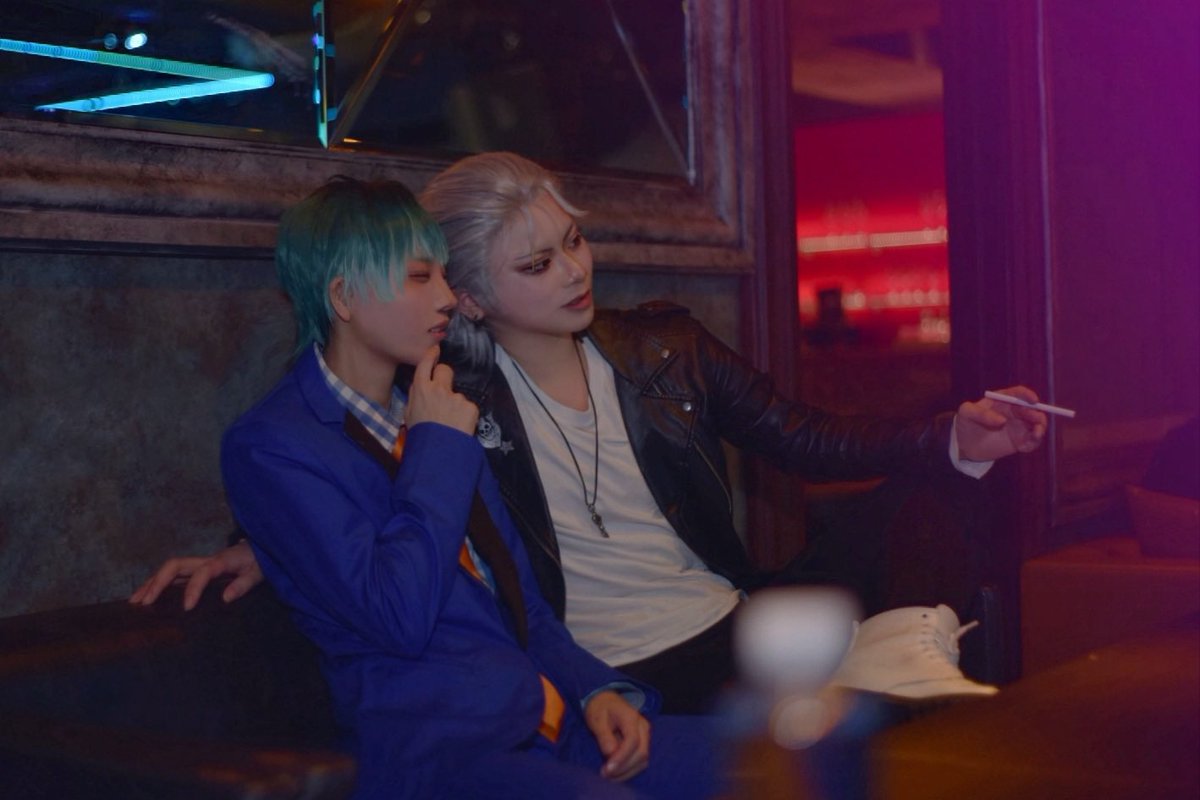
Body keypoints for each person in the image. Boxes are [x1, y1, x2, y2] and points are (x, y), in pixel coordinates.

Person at [133, 152, 1047, 715]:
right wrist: (258, 545)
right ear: (471, 297)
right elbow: (337, 459)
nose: (574, 272)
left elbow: (804, 438)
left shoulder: (666, 347)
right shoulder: (449, 392)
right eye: (537, 263)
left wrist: (954, 435)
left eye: (573, 241)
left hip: (736, 617)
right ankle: (877, 670)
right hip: (619, 661)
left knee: (933, 483)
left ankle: (906, 647)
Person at [202, 175, 717, 799]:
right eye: (421, 277)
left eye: (444, 276)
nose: (447, 297)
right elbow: (398, 614)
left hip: (548, 722)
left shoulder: (436, 405)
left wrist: (595, 689)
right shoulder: (274, 443)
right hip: (441, 753)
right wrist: (436, 446)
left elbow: (522, 603)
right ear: (343, 297)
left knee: (779, 758)